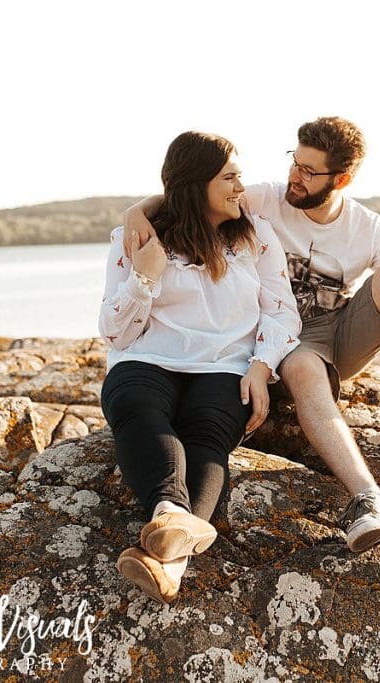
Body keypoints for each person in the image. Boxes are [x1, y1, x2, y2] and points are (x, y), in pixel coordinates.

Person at [124, 117, 380, 554]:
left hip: (338, 331)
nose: (294, 177)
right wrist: (136, 211)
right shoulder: (266, 199)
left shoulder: (366, 225)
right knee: (302, 366)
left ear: (342, 178)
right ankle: (368, 498)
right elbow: (189, 193)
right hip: (287, 338)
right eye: (294, 162)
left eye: (308, 171)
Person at [100, 131, 300, 604]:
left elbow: (281, 309)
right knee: (134, 403)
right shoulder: (135, 237)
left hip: (226, 365)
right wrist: (145, 274)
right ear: (196, 184)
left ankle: (167, 548)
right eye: (229, 177)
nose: (240, 186)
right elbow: (114, 332)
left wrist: (261, 365)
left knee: (208, 434)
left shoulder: (255, 234)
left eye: (239, 176)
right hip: (148, 357)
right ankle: (172, 518)